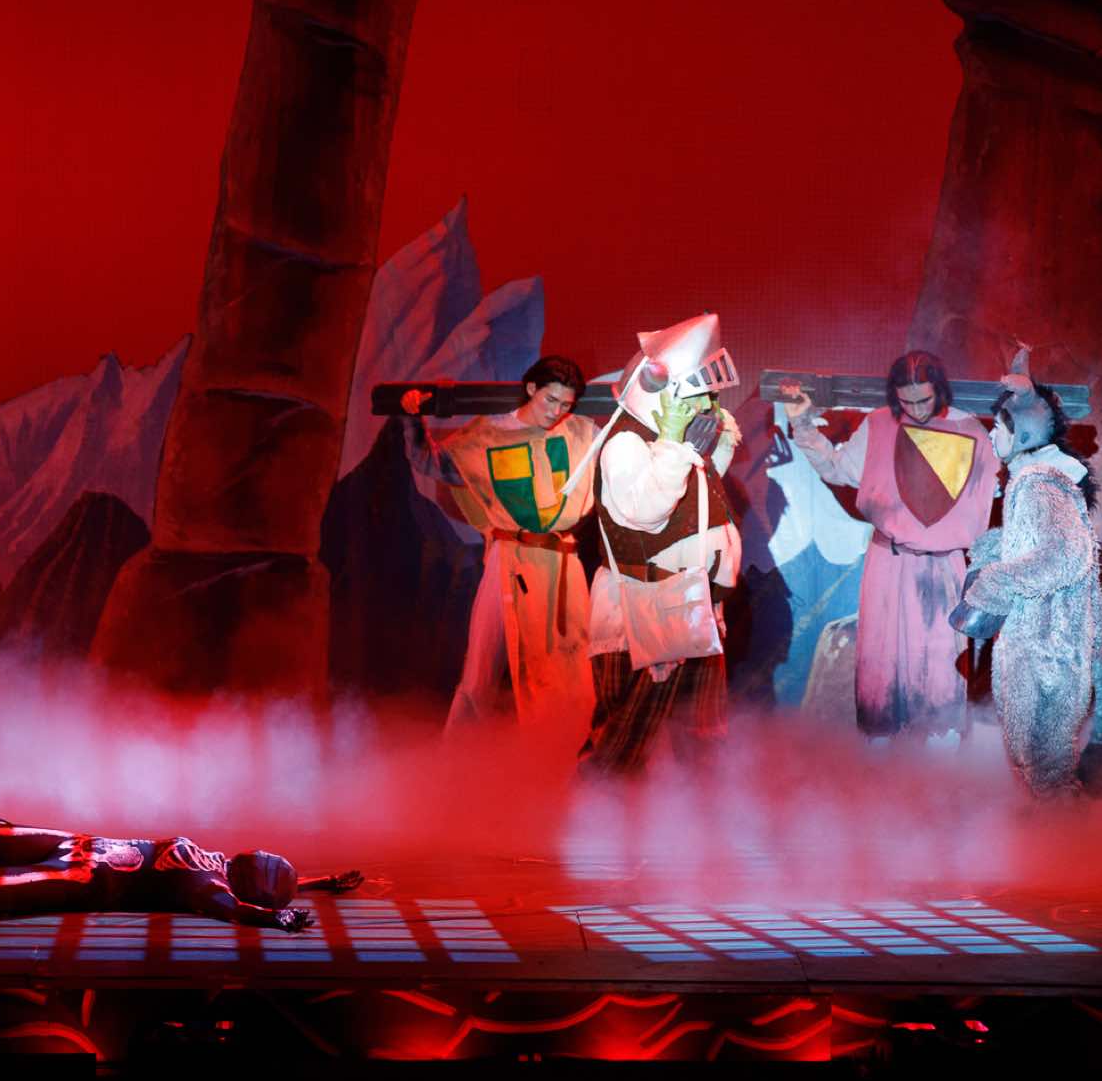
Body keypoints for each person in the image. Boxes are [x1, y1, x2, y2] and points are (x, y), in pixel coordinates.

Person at [784, 351, 1001, 745]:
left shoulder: (970, 430)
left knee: (941, 669)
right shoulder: (879, 424)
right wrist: (802, 424)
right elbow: (837, 468)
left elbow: (999, 483)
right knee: (881, 666)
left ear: (939, 389)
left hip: (943, 567)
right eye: (907, 401)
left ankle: (938, 760)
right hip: (889, 560)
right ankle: (881, 762)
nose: (916, 410)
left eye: (924, 399)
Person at [576, 313, 744, 778]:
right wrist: (671, 442)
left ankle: (687, 816)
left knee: (698, 736)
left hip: (691, 608)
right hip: (647, 610)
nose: (708, 403)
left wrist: (705, 444)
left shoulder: (675, 443)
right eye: (698, 395)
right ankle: (601, 816)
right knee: (626, 740)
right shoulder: (625, 444)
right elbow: (646, 511)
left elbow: (697, 503)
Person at [953, 351, 1102, 800]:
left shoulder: (1037, 483)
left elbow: (1065, 556)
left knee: (1042, 765)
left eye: (998, 428)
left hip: (1046, 647)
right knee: (1040, 765)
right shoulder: (1039, 481)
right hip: (1051, 643)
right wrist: (994, 548)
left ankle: (1063, 838)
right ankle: (1056, 833)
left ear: (1023, 433)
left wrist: (993, 584)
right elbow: (1046, 543)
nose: (992, 436)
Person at [403, 355, 600, 734]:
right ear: (531, 389)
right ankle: (459, 752)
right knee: (481, 662)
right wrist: (413, 418)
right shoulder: (488, 435)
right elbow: (429, 462)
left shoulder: (579, 433)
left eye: (565, 404)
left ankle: (560, 749)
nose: (556, 411)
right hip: (508, 558)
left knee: (566, 663)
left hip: (560, 563)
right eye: (550, 400)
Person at [0, 825, 362, 930]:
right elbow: (251, 897)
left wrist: (275, 919)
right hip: (85, 844)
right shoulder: (218, 865)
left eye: (265, 862)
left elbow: (236, 911)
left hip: (90, 877)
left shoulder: (208, 887)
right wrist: (321, 882)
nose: (260, 854)